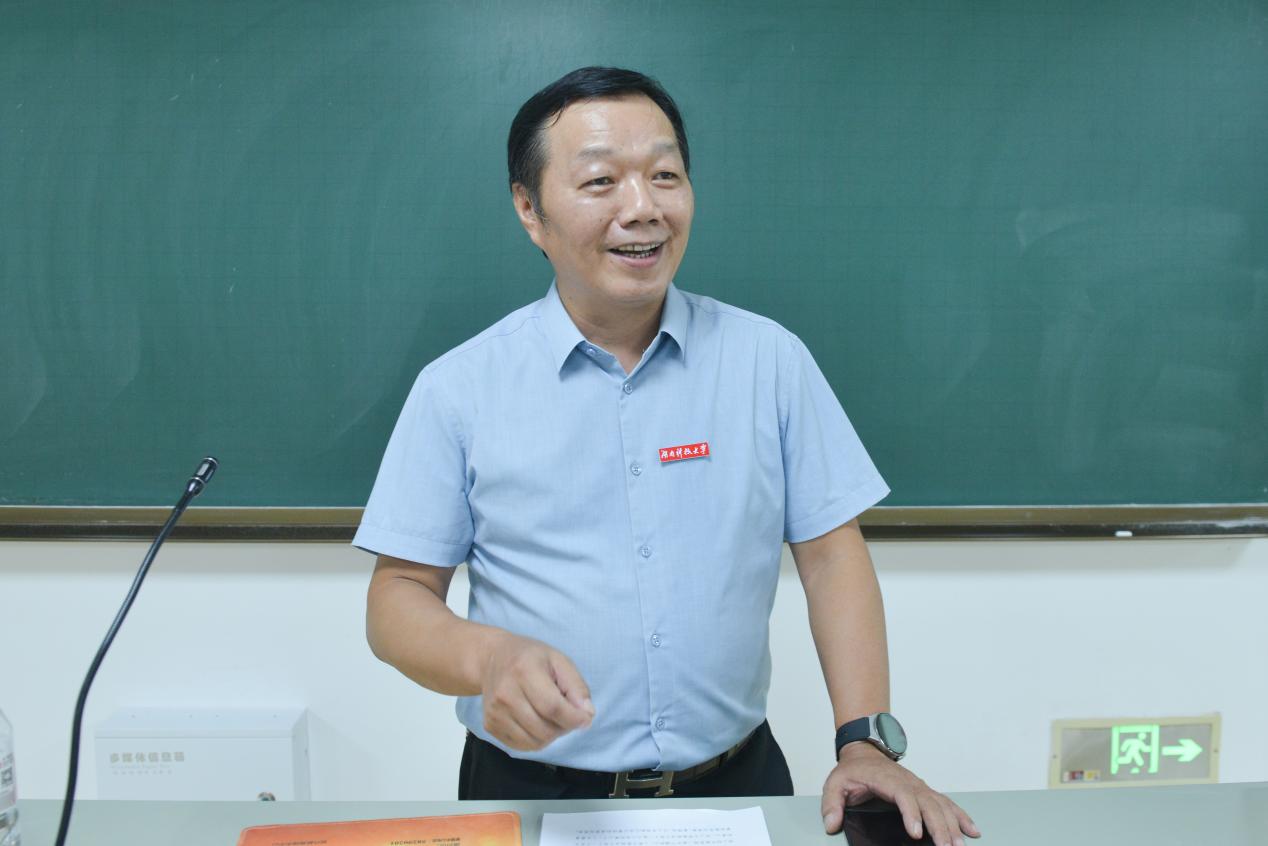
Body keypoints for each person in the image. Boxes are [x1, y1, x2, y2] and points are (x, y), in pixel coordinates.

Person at [355, 66, 979, 846]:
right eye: (600, 181)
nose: (642, 208)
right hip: (528, 794)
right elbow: (397, 599)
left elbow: (831, 557)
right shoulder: (459, 388)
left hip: (739, 786)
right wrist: (486, 658)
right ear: (529, 209)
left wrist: (866, 740)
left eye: (664, 175)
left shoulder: (768, 361)